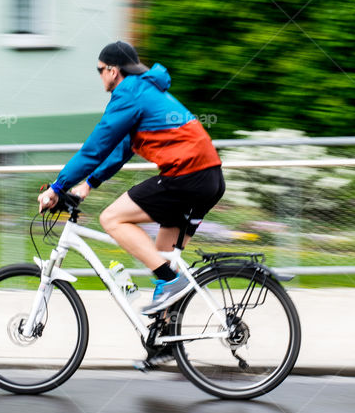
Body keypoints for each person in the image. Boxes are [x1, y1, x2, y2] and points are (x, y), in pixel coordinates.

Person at [37, 41, 225, 315]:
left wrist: (57, 187)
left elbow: (95, 149)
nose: (100, 76)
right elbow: (121, 150)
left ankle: (172, 282)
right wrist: (89, 184)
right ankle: (164, 334)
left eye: (100, 70)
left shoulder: (128, 93)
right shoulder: (144, 90)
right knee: (162, 260)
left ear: (112, 70)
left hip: (187, 175)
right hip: (209, 178)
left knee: (111, 219)